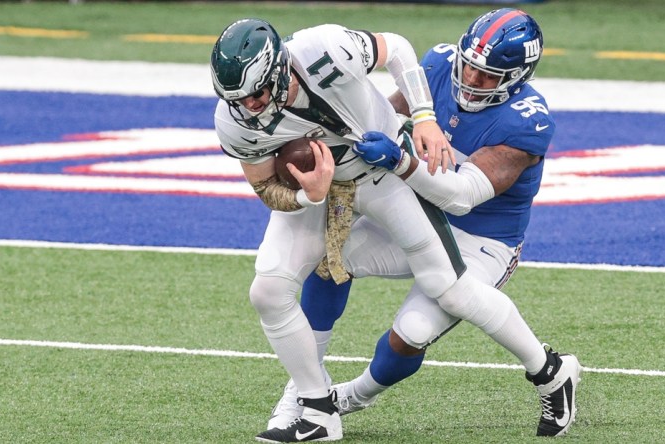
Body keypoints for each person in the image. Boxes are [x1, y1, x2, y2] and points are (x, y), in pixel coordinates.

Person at [210, 14, 573, 443]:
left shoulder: (526, 121)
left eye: (487, 74)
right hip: (400, 185)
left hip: (481, 234)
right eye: (468, 64)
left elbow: (459, 197)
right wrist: (312, 192)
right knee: (316, 269)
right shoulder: (438, 66)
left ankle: (550, 372)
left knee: (424, 318)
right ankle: (310, 401)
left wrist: (414, 137)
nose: (471, 77)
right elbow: (376, 113)